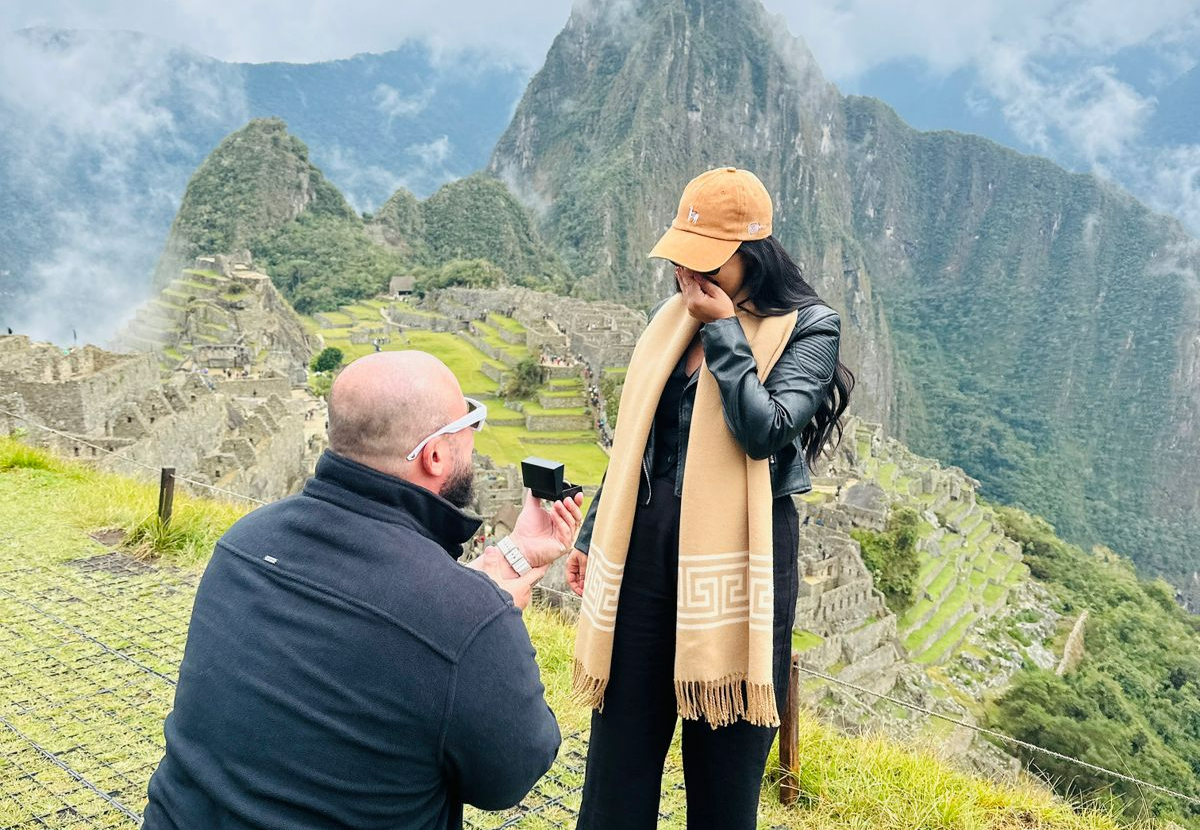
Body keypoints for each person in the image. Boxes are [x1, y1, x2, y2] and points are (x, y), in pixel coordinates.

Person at [144, 350, 585, 830]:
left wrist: (512, 555)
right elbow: (508, 778)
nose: (474, 440)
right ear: (436, 455)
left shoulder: (244, 542)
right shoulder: (465, 619)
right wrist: (489, 617)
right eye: (470, 421)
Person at [565, 167, 854, 830]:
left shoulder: (808, 327)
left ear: (749, 254)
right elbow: (637, 439)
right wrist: (589, 537)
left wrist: (723, 332)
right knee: (616, 772)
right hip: (643, 554)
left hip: (735, 566)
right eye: (681, 263)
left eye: (706, 266)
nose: (688, 279)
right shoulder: (668, 322)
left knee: (724, 781)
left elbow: (766, 431)